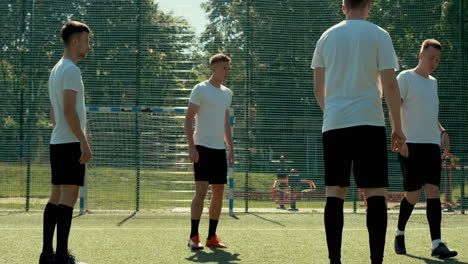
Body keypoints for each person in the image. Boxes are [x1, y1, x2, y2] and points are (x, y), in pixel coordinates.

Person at [311, 0, 406, 263]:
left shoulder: (326, 36)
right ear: (369, 5)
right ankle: (376, 260)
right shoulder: (379, 34)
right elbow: (390, 86)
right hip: (370, 123)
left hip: (335, 124)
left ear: (343, 6)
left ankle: (335, 261)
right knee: (375, 193)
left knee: (335, 192)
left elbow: (319, 89)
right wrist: (397, 127)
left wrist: (331, 112)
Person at [394, 39, 458, 259]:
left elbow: (429, 113)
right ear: (420, 55)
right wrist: (399, 138)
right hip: (409, 145)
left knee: (432, 192)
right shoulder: (405, 77)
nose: (434, 62)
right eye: (431, 57)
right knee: (412, 195)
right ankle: (399, 233)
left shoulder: (433, 83)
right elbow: (395, 108)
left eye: (438, 60)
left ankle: (436, 244)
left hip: (431, 145)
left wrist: (442, 131)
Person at [39, 21, 91, 264]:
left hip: (57, 141)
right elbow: (69, 111)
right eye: (86, 41)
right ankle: (61, 257)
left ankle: (47, 255)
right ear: (75, 41)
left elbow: (53, 111)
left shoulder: (56, 69)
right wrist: (83, 142)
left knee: (55, 196)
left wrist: (62, 127)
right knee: (68, 198)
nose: (88, 46)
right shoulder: (71, 70)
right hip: (70, 142)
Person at [184, 54, 235, 250]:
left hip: (218, 150)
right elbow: (188, 119)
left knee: (219, 193)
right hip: (202, 148)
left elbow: (225, 124)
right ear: (213, 68)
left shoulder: (227, 93)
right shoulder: (200, 89)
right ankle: (193, 236)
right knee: (201, 191)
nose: (227, 71)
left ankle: (212, 236)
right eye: (224, 68)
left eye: (228, 68)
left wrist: (231, 148)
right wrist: (191, 146)